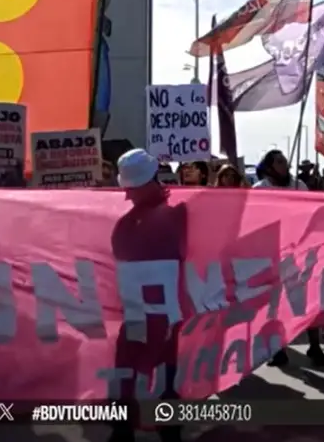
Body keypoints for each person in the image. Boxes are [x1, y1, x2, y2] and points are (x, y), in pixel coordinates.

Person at [110, 148, 182, 442]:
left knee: (127, 372)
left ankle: (122, 431)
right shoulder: (176, 217)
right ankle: (168, 430)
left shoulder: (123, 225)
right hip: (167, 316)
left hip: (135, 316)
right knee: (167, 373)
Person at [251, 149, 324, 366]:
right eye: (279, 162)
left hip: (299, 253)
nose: (284, 165)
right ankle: (278, 349)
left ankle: (315, 346)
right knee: (275, 305)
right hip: (273, 254)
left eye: (285, 161)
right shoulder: (261, 189)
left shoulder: (299, 186)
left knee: (309, 300)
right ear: (268, 167)